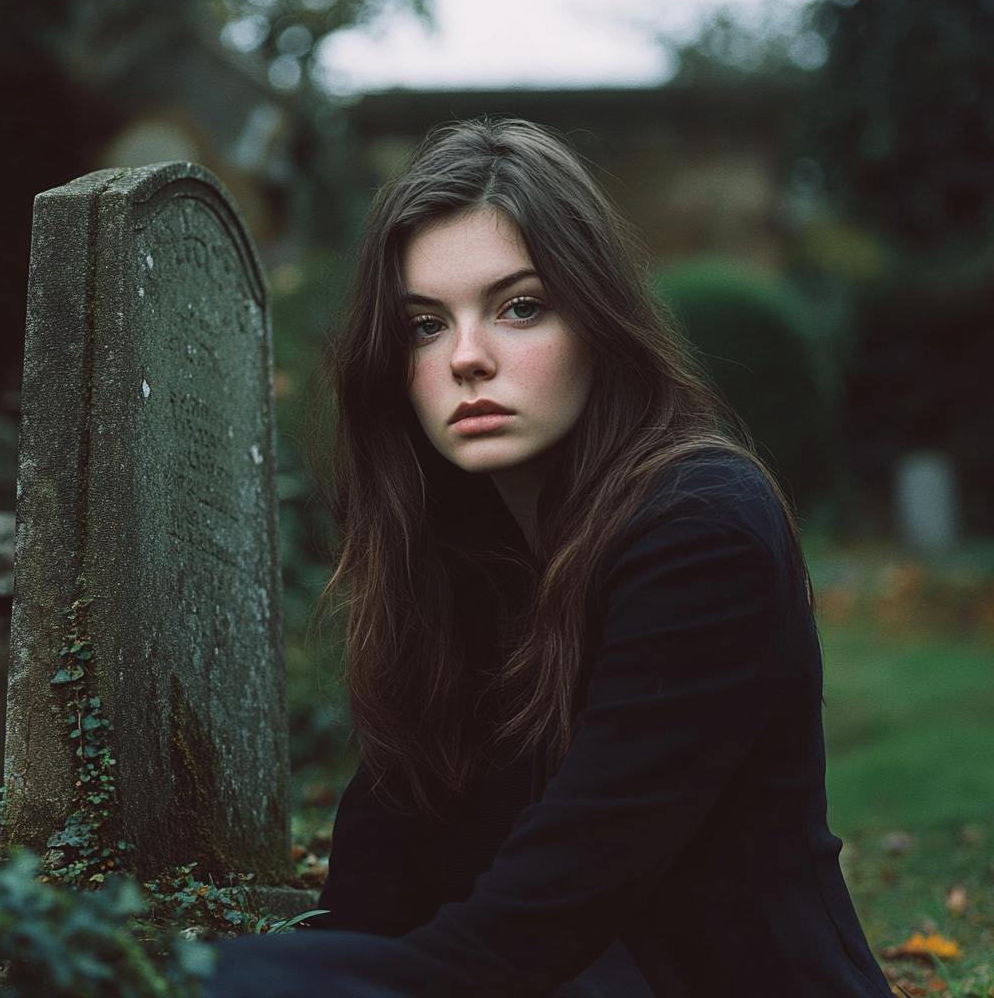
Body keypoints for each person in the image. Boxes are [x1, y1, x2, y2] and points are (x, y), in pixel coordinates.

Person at [206, 118, 890, 998]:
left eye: (518, 307)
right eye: (423, 324)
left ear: (598, 320)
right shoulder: (456, 560)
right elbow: (372, 902)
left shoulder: (702, 530)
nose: (466, 358)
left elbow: (515, 944)